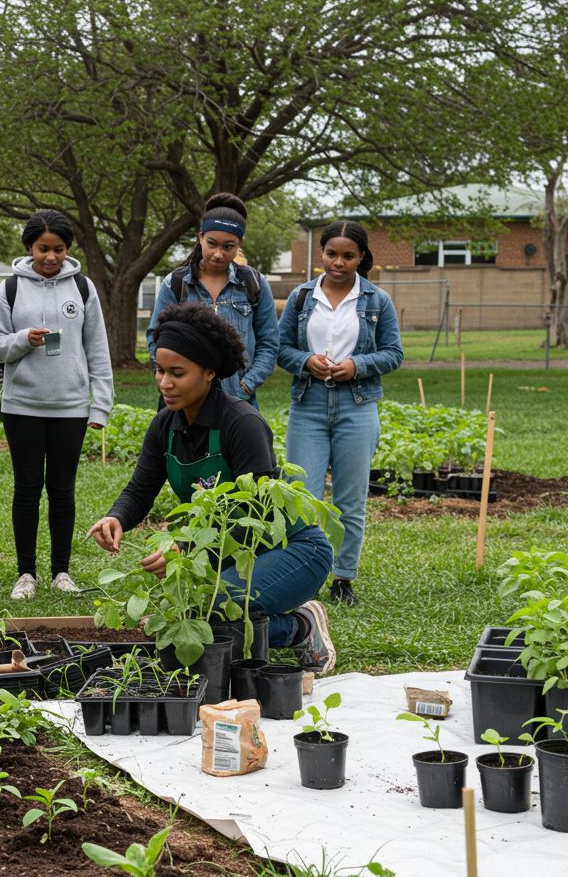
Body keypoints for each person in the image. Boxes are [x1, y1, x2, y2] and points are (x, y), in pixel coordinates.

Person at [88, 303, 337, 673]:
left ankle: (300, 627)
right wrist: (116, 517)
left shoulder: (241, 423)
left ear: (208, 373)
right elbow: (140, 489)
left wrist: (183, 549)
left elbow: (255, 516)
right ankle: (277, 622)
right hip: (228, 556)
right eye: (159, 370)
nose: (164, 383)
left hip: (292, 550)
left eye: (177, 373)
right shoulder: (164, 426)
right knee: (186, 613)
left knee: (211, 610)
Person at [0, 209, 113, 600]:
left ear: (68, 249)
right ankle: (26, 573)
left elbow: (98, 350)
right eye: (43, 249)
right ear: (29, 247)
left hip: (70, 407)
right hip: (21, 406)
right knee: (27, 488)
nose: (51, 257)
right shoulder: (9, 289)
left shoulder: (84, 289)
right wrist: (24, 339)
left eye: (58, 249)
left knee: (62, 490)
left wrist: (100, 405)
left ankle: (61, 571)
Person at [278, 220, 404, 607]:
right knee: (302, 498)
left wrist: (357, 365)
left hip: (357, 405)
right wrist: (305, 360)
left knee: (350, 499)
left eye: (348, 255)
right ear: (322, 254)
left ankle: (343, 578)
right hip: (308, 405)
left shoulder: (376, 300)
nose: (339, 262)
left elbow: (394, 353)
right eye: (332, 254)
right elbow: (280, 348)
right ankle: (302, 577)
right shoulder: (301, 298)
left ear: (361, 257)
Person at [146, 193, 278, 406]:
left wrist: (247, 386)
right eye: (212, 243)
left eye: (228, 247)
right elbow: (155, 337)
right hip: (185, 401)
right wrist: (168, 379)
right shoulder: (176, 283)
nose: (218, 254)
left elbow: (269, 344)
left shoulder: (254, 283)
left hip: (239, 401)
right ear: (200, 237)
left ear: (239, 244)